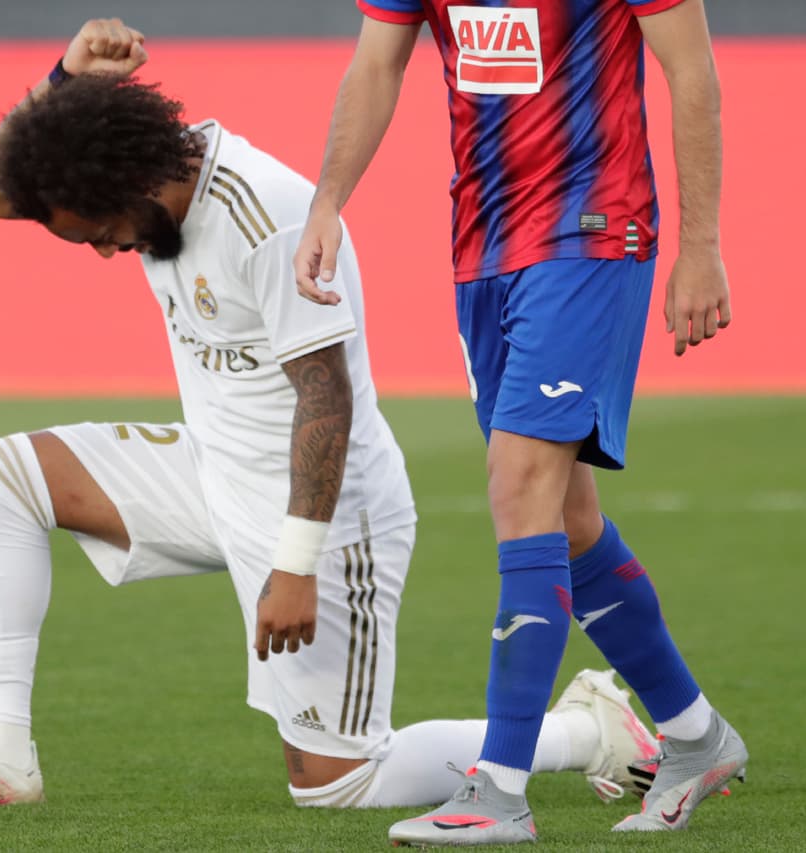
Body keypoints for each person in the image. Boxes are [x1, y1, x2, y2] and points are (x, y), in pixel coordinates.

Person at [0, 19, 662, 811]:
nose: (107, 252)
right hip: (211, 471)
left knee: (340, 784)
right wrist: (67, 80)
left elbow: (326, 396)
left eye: (101, 234)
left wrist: (295, 562)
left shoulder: (267, 212)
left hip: (326, 515)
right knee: (3, 475)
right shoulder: (131, 185)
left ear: (127, 186)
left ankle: (585, 729)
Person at [294, 0, 747, 844]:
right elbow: (376, 65)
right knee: (568, 520)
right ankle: (695, 736)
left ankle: (498, 791)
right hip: (485, 246)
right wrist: (329, 200)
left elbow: (692, 72)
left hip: (591, 232)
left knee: (517, 485)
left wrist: (702, 243)